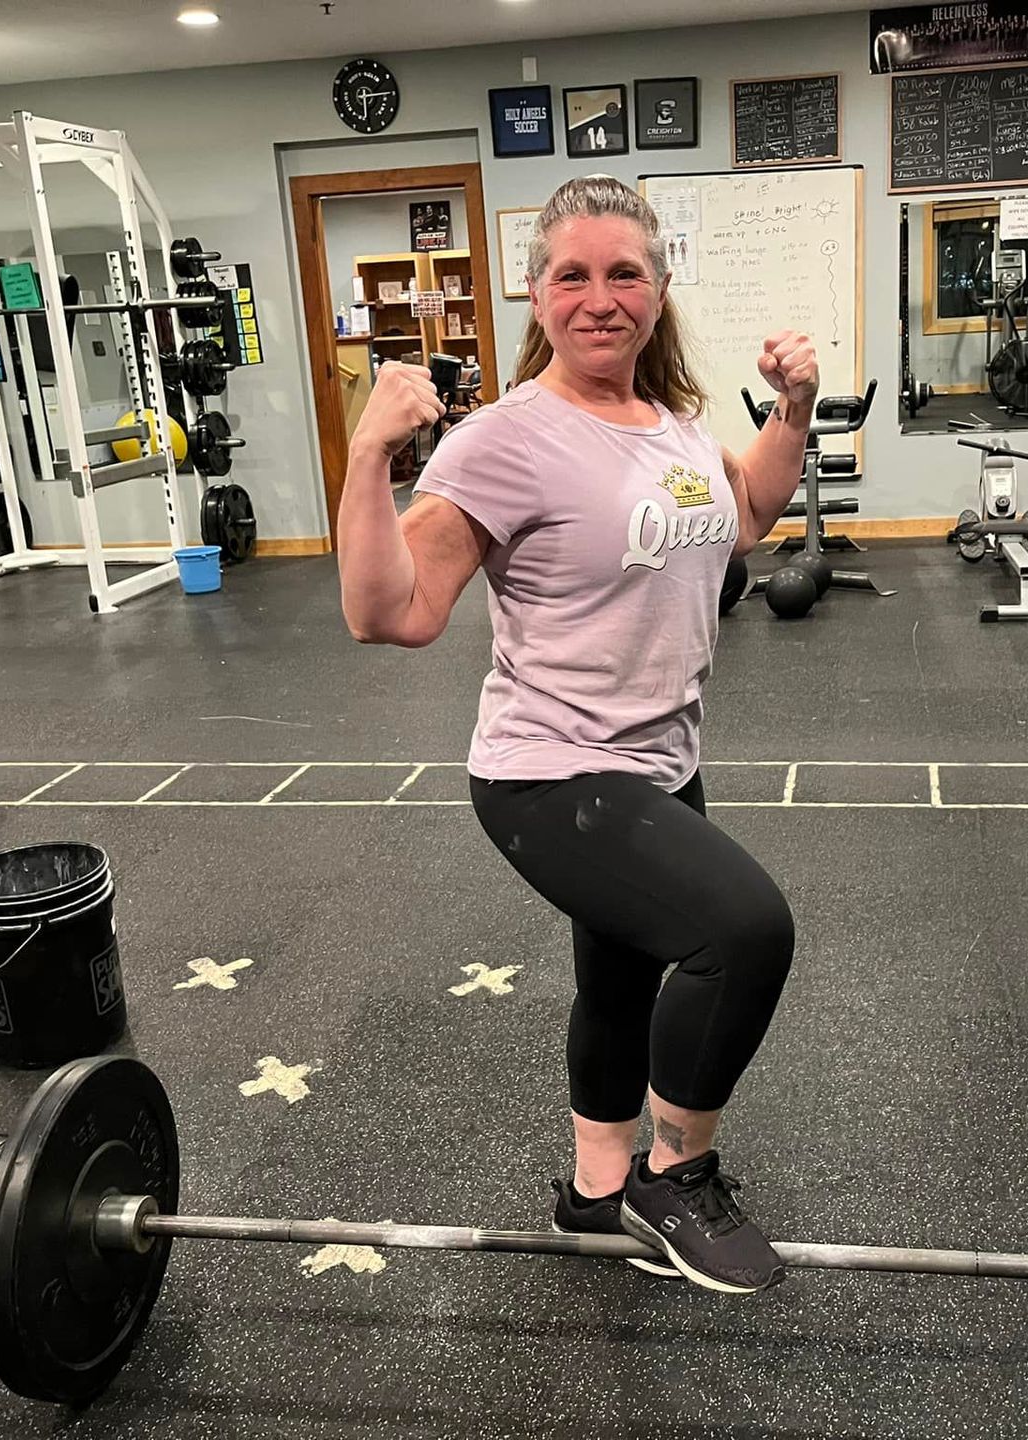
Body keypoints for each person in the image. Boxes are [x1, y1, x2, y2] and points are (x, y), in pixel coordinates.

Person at [335, 176, 819, 1294]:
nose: (600, 299)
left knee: (621, 984)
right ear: (537, 295)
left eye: (624, 274)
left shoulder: (676, 422)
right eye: (573, 275)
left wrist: (792, 412)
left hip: (659, 762)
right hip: (552, 775)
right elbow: (389, 613)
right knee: (743, 932)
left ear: (657, 290)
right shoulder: (507, 440)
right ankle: (674, 1176)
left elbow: (745, 518)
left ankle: (596, 1198)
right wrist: (369, 458)